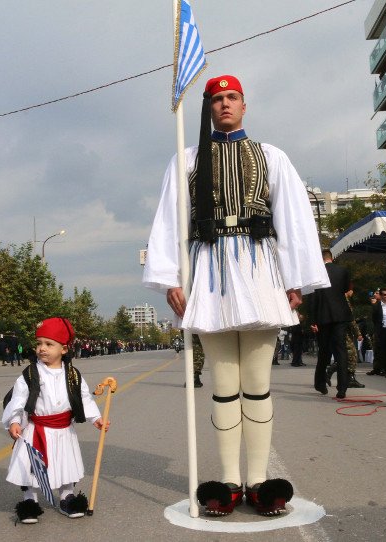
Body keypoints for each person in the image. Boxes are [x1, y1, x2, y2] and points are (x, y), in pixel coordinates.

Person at [142, 74, 329, 516]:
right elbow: (170, 220)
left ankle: (259, 481)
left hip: (260, 268)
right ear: (208, 108)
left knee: (258, 382)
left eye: (232, 98)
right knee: (224, 384)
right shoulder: (186, 158)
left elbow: (293, 218)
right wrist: (171, 278)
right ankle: (228, 481)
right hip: (208, 269)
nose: (225, 104)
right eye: (217, 99)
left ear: (244, 105)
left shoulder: (271, 156)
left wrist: (294, 279)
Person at [3, 317, 108, 523]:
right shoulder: (30, 373)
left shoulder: (73, 375)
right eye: (39, 343)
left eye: (49, 344)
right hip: (36, 429)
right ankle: (30, 501)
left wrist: (96, 417)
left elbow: (84, 398)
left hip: (63, 430)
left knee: (65, 463)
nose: (42, 348)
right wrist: (14, 421)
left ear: (64, 349)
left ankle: (67, 497)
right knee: (32, 466)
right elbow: (18, 399)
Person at [306, 249, 353, 399]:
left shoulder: (316, 274)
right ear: (332, 258)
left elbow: (312, 299)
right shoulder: (343, 271)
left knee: (324, 351)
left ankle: (320, 383)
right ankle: (342, 387)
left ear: (321, 259)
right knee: (341, 351)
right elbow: (346, 290)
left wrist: (312, 320)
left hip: (323, 316)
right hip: (340, 315)